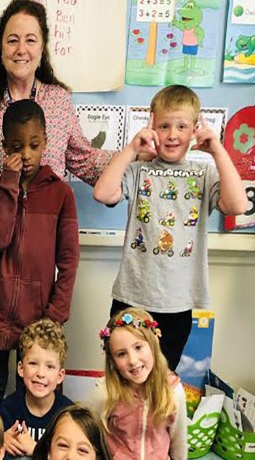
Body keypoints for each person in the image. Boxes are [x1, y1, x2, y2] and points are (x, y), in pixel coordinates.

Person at [0, 0, 113, 393]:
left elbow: (81, 158)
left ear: (43, 48)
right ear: (0, 47)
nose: (21, 49)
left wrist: (130, 159)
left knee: (35, 369)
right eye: (12, 40)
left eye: (30, 39)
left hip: (37, 274)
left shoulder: (58, 101)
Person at [93, 85, 247, 371]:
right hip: (131, 299)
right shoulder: (138, 169)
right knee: (124, 379)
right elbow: (103, 194)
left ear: (195, 129)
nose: (173, 134)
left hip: (177, 305)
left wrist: (217, 150)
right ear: (151, 126)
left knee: (162, 381)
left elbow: (237, 205)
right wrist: (131, 149)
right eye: (164, 125)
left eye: (182, 126)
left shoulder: (204, 173)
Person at [0, 99, 79, 406]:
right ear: (4, 146)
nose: (26, 155)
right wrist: (8, 185)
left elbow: (69, 259)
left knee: (37, 392)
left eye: (34, 145)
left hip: (38, 317)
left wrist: (55, 315)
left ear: (46, 142)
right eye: (17, 146)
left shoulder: (60, 194)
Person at [89, 308, 188, 460]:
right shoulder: (106, 392)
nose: (133, 360)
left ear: (152, 344)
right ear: (113, 360)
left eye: (138, 347)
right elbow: (87, 428)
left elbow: (179, 433)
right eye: (122, 354)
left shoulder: (173, 390)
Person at [0, 317, 73, 460]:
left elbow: (72, 457)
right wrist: (1, 440)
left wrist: (36, 449)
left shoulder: (67, 414)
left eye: (49, 367)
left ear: (60, 375)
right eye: (33, 364)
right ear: (21, 368)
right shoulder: (9, 407)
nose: (40, 373)